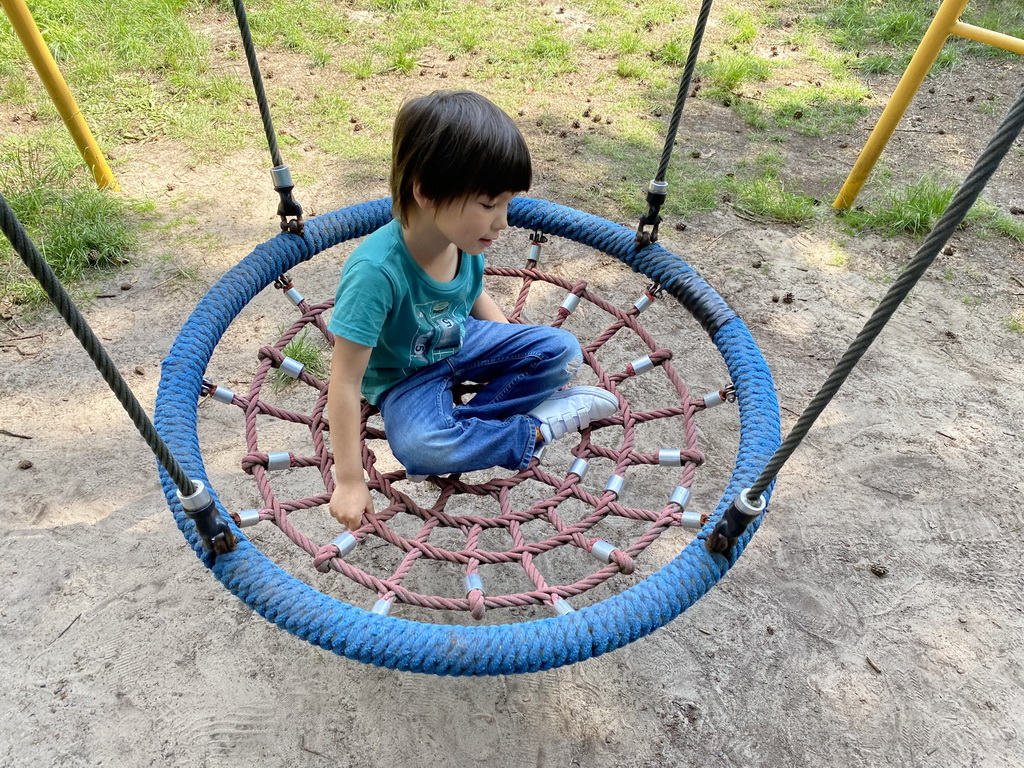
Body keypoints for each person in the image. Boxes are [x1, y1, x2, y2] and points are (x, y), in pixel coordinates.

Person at [326, 90, 618, 530]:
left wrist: (509, 351)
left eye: (507, 203)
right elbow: (344, 382)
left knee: (563, 351)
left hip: (459, 342)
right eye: (487, 204)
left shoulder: (465, 242)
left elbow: (474, 297)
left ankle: (464, 433)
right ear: (426, 192)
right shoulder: (375, 273)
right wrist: (348, 479)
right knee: (422, 448)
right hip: (402, 378)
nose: (502, 221)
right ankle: (532, 431)